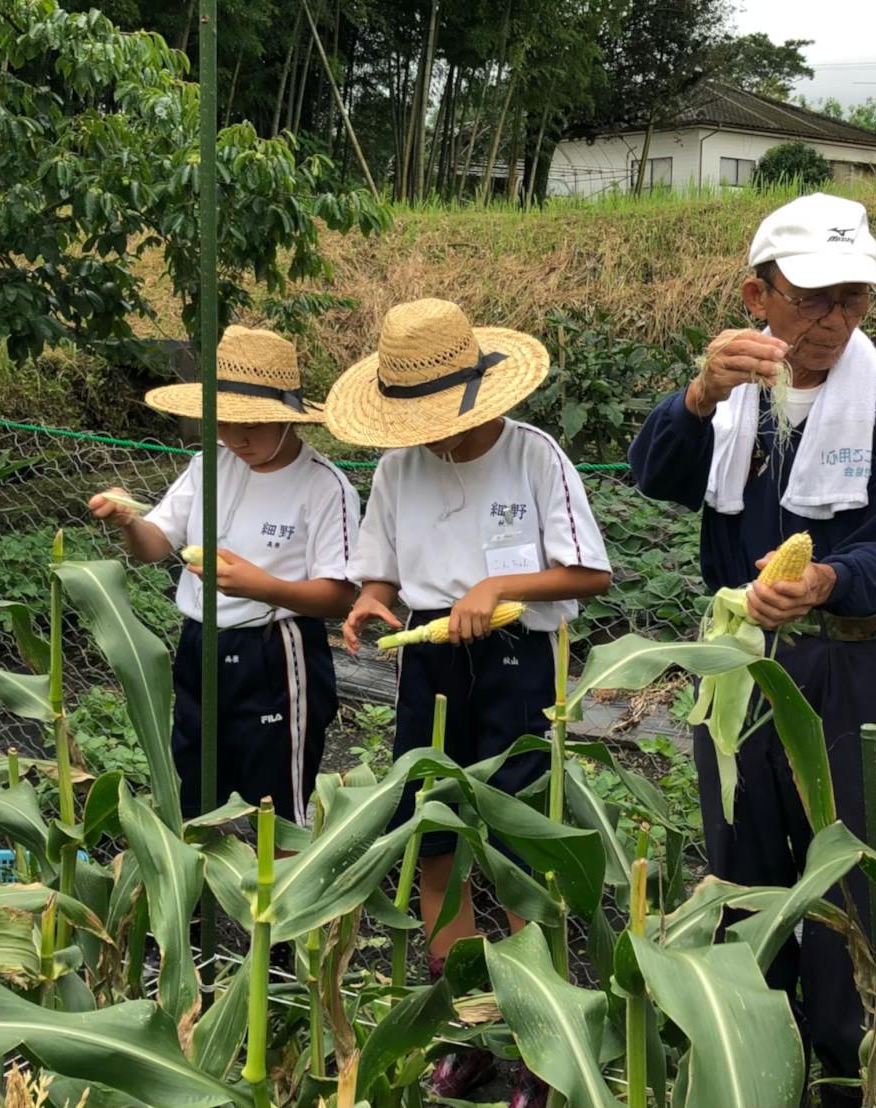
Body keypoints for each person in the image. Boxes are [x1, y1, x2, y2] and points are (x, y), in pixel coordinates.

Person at [628, 193, 876, 1103]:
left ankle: (847, 1069)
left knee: (848, 879)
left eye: (854, 299)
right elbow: (656, 477)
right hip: (739, 670)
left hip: (848, 667)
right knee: (742, 864)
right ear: (756, 295)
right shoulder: (734, 398)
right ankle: (755, 1058)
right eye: (812, 297)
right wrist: (696, 394)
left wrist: (824, 582)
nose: (834, 320)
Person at [326, 298, 611, 1107]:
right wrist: (370, 600)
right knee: (437, 842)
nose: (429, 436)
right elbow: (381, 569)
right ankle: (467, 1030)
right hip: (431, 662)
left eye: (437, 418)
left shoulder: (534, 457)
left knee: (522, 853)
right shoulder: (397, 468)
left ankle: (540, 1043)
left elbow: (589, 574)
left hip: (522, 662)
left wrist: (499, 585)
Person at [89, 326, 358, 825]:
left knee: (274, 807)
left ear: (288, 418)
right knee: (194, 791)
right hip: (198, 645)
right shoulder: (208, 464)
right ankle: (203, 899)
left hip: (275, 653)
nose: (237, 437)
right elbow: (155, 545)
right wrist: (128, 521)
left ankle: (280, 895)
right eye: (224, 422)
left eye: (252, 423)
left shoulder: (324, 488)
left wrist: (262, 586)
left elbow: (339, 595)